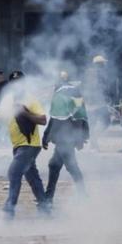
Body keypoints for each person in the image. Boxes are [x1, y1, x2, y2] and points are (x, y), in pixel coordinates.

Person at [3, 70, 50, 218]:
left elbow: (43, 120)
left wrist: (24, 112)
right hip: (18, 146)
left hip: (29, 145)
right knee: (32, 177)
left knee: (14, 172)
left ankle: (9, 210)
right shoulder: (8, 100)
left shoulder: (30, 99)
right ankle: (45, 208)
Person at [43, 72, 88, 204]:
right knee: (54, 166)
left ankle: (81, 195)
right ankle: (49, 196)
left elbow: (80, 117)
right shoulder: (74, 94)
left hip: (66, 138)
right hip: (64, 138)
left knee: (70, 166)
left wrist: (80, 138)